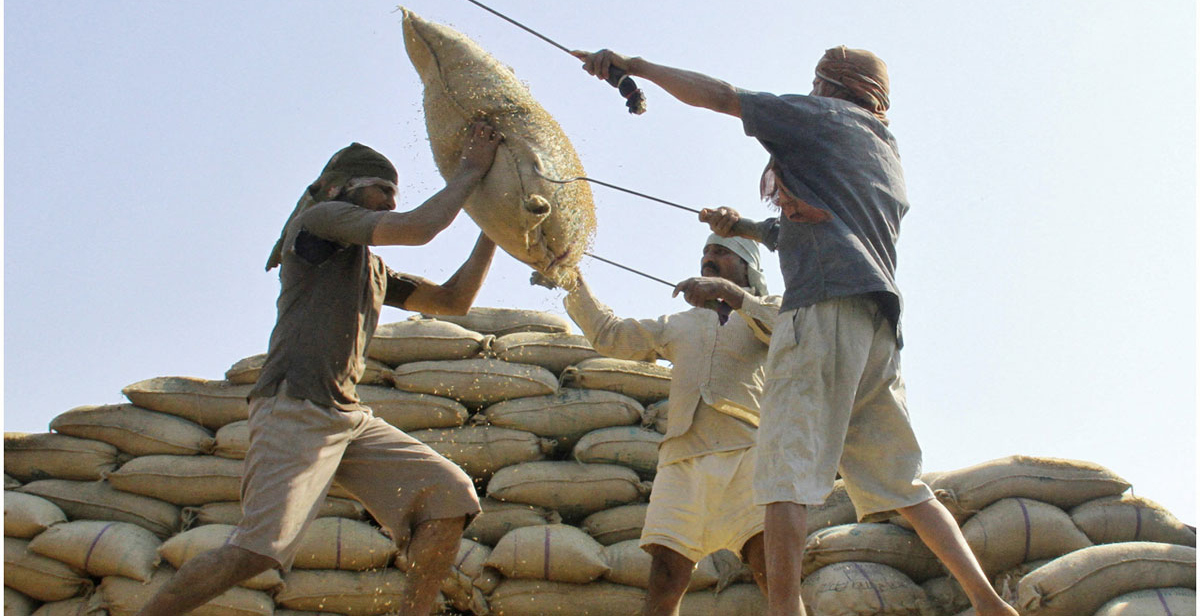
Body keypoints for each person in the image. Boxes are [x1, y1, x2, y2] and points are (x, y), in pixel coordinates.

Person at [573, 48, 1019, 616]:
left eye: (817, 81)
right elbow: (817, 227)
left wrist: (637, 67)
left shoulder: (822, 118)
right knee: (904, 484)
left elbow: (721, 96)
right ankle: (988, 602)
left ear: (833, 85)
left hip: (822, 313)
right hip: (876, 325)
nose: (810, 90)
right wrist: (747, 227)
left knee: (784, 474)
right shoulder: (883, 149)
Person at [135, 120, 504, 616]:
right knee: (253, 552)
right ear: (338, 188)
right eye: (382, 191)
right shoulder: (320, 220)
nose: (391, 203)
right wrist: (471, 172)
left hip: (346, 417)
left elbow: (452, 301)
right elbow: (418, 229)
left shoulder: (368, 266)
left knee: (449, 497)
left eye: (395, 194)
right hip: (294, 408)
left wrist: (494, 230)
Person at [557, 235, 780, 616]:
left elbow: (793, 332)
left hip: (747, 454)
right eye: (706, 252)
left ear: (747, 267)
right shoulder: (679, 324)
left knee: (772, 571)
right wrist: (570, 278)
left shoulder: (768, 310)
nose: (709, 259)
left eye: (722, 253)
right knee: (665, 575)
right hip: (682, 458)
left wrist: (731, 294)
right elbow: (611, 335)